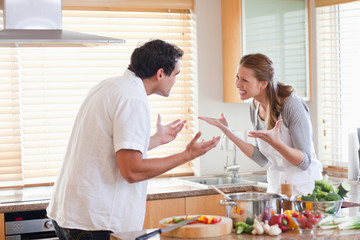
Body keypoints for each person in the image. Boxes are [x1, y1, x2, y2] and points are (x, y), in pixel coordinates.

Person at [47, 39, 220, 239]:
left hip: (72, 215)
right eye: (175, 75)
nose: (175, 81)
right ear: (161, 73)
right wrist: (187, 155)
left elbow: (108, 147)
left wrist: (156, 139)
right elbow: (132, 171)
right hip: (96, 222)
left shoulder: (109, 87)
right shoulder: (133, 99)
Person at [199, 53, 322, 196]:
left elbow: (305, 161)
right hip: (276, 188)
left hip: (303, 190)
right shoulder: (255, 106)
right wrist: (228, 133)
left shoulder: (291, 105)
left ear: (263, 83)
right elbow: (263, 159)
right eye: (237, 77)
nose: (238, 84)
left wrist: (278, 144)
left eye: (245, 80)